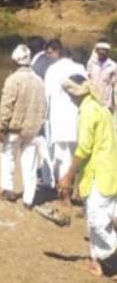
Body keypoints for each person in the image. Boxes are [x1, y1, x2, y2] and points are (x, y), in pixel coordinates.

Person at [57, 75, 117, 277]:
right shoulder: (99, 107)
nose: (68, 97)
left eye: (69, 93)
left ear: (75, 93)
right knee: (95, 218)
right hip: (108, 171)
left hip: (100, 174)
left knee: (98, 221)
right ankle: (95, 262)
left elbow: (83, 148)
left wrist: (68, 176)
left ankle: (113, 260)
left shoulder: (89, 110)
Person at [0, 45, 47, 209]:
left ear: (15, 62)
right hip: (32, 130)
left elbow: (6, 106)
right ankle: (28, 199)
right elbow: (44, 107)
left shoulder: (13, 80)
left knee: (8, 157)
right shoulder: (39, 81)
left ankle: (7, 189)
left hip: (14, 129)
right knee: (30, 164)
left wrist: (2, 127)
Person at [44, 49, 86, 188]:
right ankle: (72, 186)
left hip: (57, 118)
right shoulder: (79, 68)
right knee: (77, 153)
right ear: (71, 56)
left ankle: (62, 186)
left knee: (62, 155)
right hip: (78, 116)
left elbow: (46, 94)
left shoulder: (52, 69)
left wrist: (45, 116)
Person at [86, 39, 117, 113]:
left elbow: (115, 86)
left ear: (108, 51)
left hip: (106, 105)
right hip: (92, 103)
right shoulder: (91, 64)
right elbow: (87, 81)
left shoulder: (113, 66)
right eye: (100, 49)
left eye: (104, 50)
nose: (102, 52)